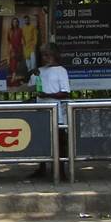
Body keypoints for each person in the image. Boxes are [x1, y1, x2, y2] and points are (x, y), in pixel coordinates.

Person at [28, 44, 71, 180]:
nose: (46, 58)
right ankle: (42, 168)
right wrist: (31, 75)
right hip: (41, 111)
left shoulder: (61, 71)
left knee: (59, 142)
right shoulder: (39, 71)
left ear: (55, 55)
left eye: (48, 55)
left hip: (56, 112)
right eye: (44, 55)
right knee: (42, 141)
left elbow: (65, 92)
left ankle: (61, 170)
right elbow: (29, 87)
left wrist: (47, 95)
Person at [7, 16, 25, 85]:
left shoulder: (20, 30)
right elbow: (8, 40)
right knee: (12, 63)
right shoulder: (9, 30)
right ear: (12, 23)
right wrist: (10, 47)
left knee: (15, 62)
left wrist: (23, 48)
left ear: (18, 23)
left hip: (18, 48)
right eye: (13, 22)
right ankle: (14, 76)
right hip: (12, 48)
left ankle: (13, 77)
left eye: (16, 22)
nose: (15, 23)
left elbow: (22, 39)